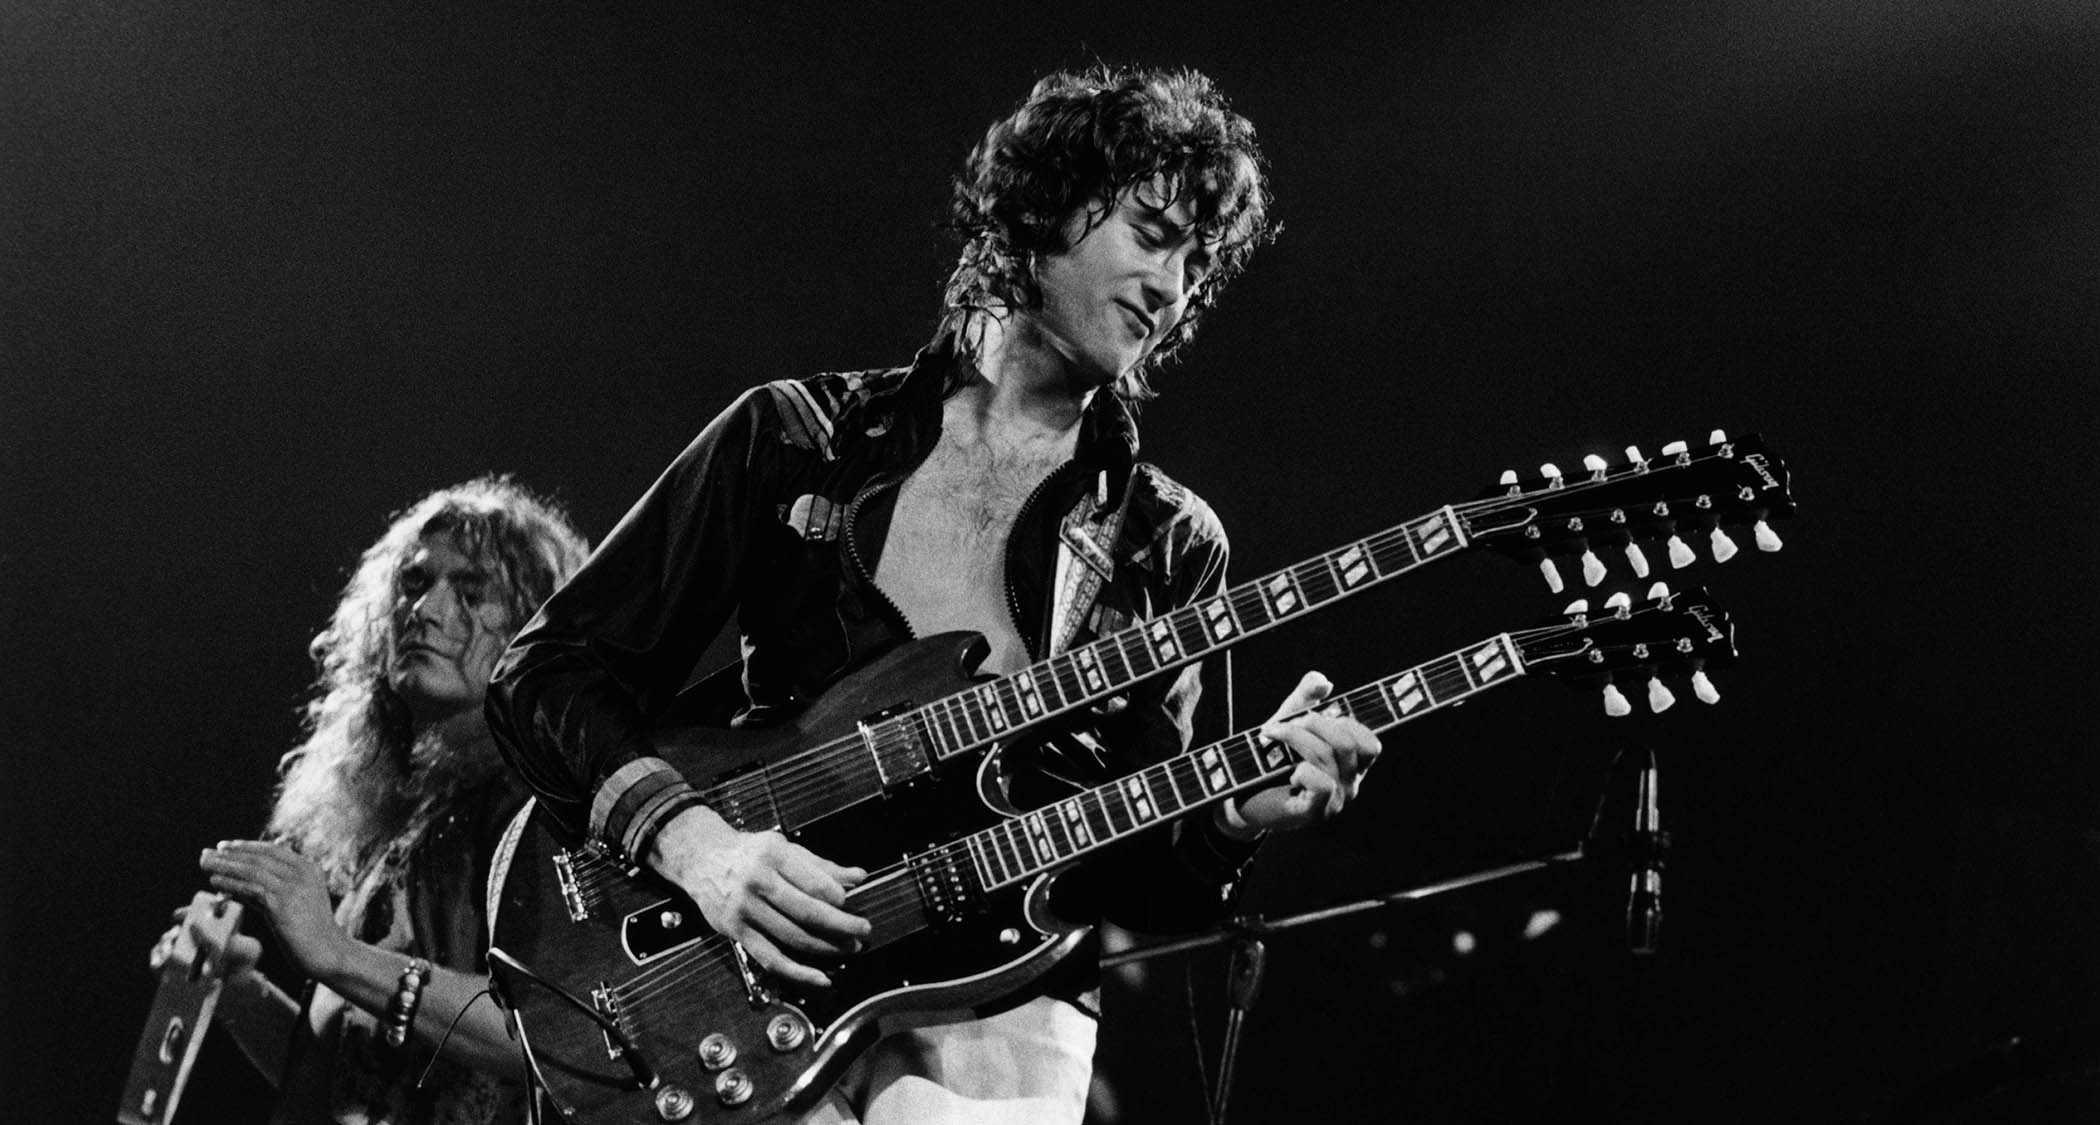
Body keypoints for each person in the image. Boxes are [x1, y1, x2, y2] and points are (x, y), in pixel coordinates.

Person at [487, 64, 1381, 1124]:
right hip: (732, 974)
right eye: (1150, 232)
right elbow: (545, 676)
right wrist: (696, 846)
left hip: (1002, 1015)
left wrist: (1236, 816)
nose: (1173, 284)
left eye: (1196, 259)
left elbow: (1144, 870)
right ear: (1042, 211)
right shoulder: (797, 439)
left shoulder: (1166, 543)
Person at [148, 477, 590, 1124]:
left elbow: (555, 1033)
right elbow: (357, 1085)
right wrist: (240, 993)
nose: (428, 609)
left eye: (470, 592)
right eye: (414, 584)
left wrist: (338, 952)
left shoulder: (535, 802)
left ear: (529, 629)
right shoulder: (411, 814)